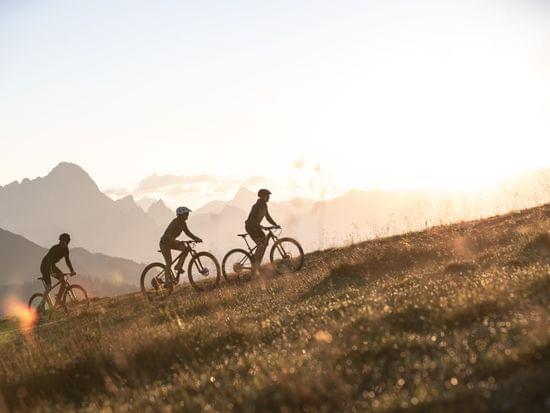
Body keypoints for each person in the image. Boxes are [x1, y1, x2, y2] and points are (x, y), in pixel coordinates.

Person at [160, 206, 202, 280]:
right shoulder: (174, 222)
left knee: (186, 249)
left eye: (187, 213)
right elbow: (168, 235)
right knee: (169, 262)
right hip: (164, 243)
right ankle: (166, 282)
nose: (188, 215)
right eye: (186, 214)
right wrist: (177, 242)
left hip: (171, 242)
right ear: (181, 215)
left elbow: (188, 233)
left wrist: (196, 238)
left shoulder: (183, 223)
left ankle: (178, 266)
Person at [245, 189, 280, 274]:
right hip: (251, 227)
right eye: (268, 196)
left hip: (256, 227)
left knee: (264, 243)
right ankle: (255, 266)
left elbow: (268, 217)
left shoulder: (264, 205)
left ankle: (257, 263)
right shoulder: (257, 206)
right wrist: (260, 226)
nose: (269, 198)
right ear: (264, 196)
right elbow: (252, 219)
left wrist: (275, 224)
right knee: (260, 245)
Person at [40, 233, 75, 299]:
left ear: (67, 243)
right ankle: (42, 305)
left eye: (64, 242)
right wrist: (51, 272)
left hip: (52, 266)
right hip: (45, 266)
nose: (62, 243)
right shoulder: (55, 248)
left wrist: (72, 270)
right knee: (49, 286)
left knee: (64, 281)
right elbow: (49, 260)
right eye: (61, 241)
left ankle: (58, 299)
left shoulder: (66, 250)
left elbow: (67, 261)